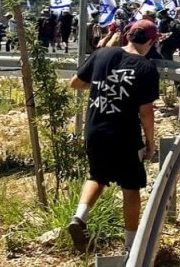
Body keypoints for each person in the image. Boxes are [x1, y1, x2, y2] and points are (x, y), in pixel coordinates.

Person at [67, 19, 161, 254]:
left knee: (97, 176)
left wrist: (104, 84)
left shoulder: (102, 54)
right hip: (125, 136)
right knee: (131, 188)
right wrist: (151, 142)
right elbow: (146, 112)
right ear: (151, 41)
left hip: (95, 130)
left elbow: (75, 83)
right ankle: (131, 247)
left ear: (128, 36)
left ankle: (79, 217)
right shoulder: (147, 67)